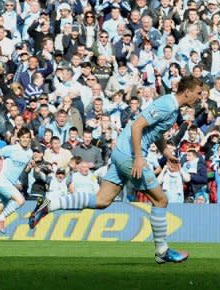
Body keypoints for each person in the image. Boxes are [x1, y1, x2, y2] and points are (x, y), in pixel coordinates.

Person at [29, 76, 203, 264]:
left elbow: (155, 132)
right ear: (187, 92)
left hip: (121, 152)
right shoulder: (167, 105)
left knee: (102, 200)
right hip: (130, 155)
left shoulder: (171, 107)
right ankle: (162, 251)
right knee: (160, 200)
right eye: (198, 93)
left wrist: (166, 152)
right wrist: (138, 158)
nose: (200, 97)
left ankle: (49, 204)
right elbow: (137, 126)